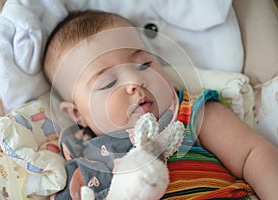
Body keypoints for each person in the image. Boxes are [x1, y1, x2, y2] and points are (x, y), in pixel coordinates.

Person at [43, 10, 278, 200]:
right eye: (109, 82)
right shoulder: (82, 158)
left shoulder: (191, 113)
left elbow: (252, 155)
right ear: (77, 114)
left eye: (144, 63)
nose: (135, 81)